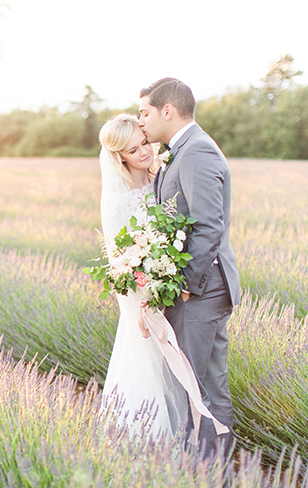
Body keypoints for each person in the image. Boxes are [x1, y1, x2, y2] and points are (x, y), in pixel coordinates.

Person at [139, 78, 241, 457]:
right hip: (198, 287)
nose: (141, 121)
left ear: (168, 110)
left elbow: (208, 224)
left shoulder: (197, 151)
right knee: (202, 384)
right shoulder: (178, 150)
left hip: (202, 289)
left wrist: (185, 285)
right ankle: (207, 469)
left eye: (145, 112)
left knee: (198, 387)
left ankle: (209, 472)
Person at [98, 113, 188, 440]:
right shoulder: (117, 199)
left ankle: (184, 433)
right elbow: (121, 258)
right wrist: (148, 294)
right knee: (148, 360)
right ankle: (151, 438)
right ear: (120, 156)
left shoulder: (160, 178)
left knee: (175, 361)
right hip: (142, 290)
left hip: (169, 281)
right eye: (134, 150)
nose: (144, 152)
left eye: (145, 142)